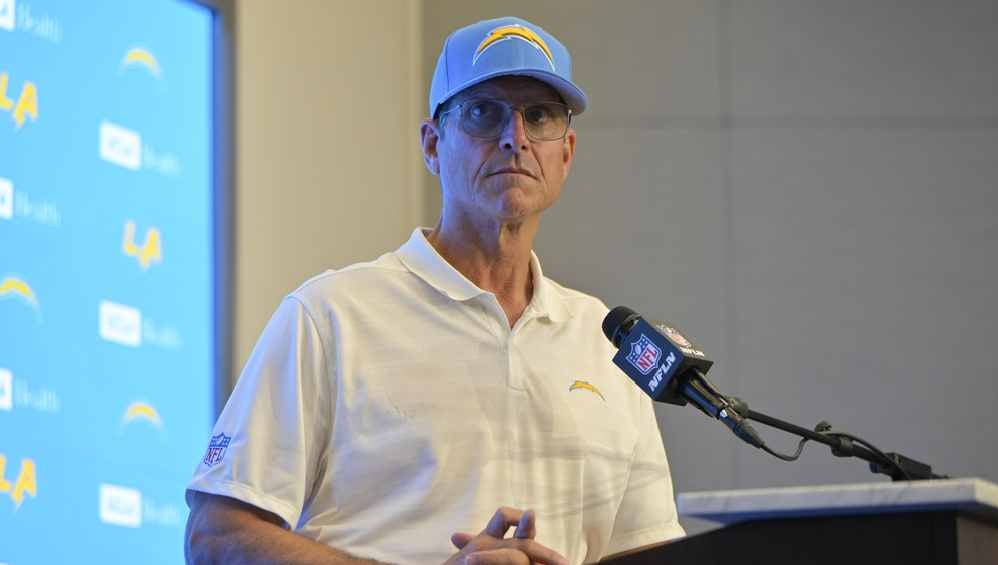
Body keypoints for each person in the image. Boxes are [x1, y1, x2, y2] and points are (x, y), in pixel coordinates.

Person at [184, 16, 686, 565]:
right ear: (431, 144)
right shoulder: (330, 316)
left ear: (565, 154)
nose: (515, 137)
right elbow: (217, 536)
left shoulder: (607, 344)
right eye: (483, 112)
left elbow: (651, 548)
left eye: (540, 116)